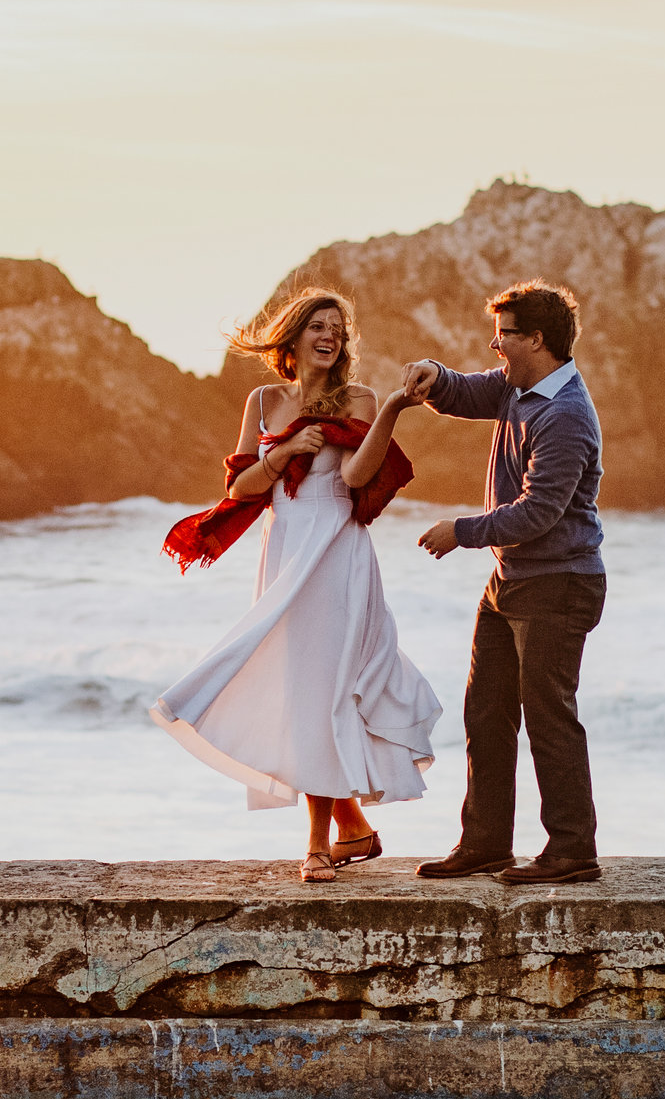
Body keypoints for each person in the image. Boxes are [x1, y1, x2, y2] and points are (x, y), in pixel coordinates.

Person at [153, 288, 442, 883]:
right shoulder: (262, 401)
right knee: (296, 687)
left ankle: (316, 845)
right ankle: (354, 830)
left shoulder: (356, 398)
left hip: (337, 552)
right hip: (284, 553)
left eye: (338, 326)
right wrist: (285, 451)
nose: (330, 334)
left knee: (326, 691)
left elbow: (360, 476)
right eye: (318, 324)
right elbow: (240, 492)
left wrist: (387, 409)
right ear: (293, 337)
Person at [399, 279, 608, 885]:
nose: (495, 344)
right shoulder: (519, 388)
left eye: (505, 334)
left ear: (535, 339)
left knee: (549, 716)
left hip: (560, 584)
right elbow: (464, 391)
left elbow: (538, 512)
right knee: (486, 714)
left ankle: (572, 850)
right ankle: (486, 844)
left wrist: (459, 530)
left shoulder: (566, 414)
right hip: (510, 580)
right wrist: (433, 375)